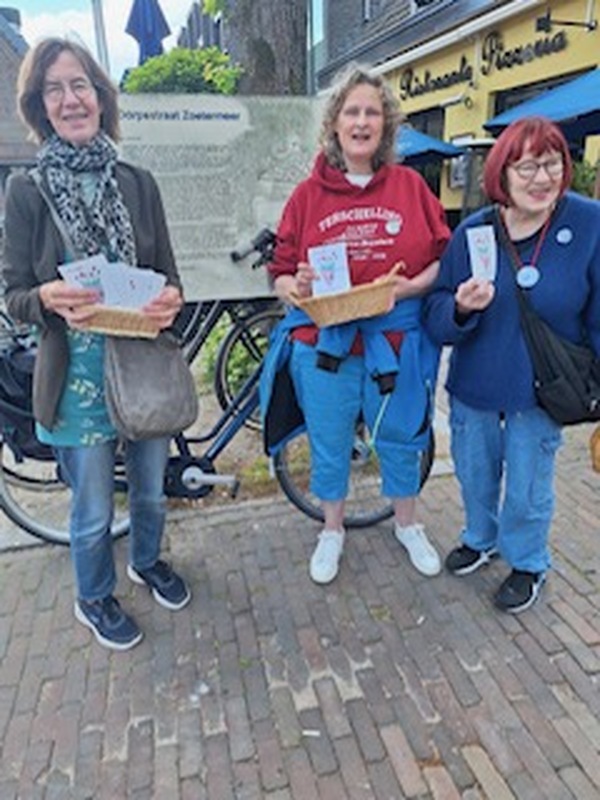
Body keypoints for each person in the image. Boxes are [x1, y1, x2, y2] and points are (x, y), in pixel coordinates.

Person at [3, 38, 191, 650]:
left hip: (141, 368)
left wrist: (170, 298)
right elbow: (13, 294)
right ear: (40, 106)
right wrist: (46, 297)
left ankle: (147, 560)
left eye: (79, 85)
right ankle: (94, 596)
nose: (70, 99)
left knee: (150, 490)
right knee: (90, 507)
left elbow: (170, 276)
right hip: (77, 379)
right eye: (54, 89)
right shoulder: (27, 190)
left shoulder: (139, 183)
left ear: (101, 97)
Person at [267, 65, 450, 585]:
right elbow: (281, 272)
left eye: (372, 112)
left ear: (385, 124)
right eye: (352, 111)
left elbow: (442, 259)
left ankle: (407, 524)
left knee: (401, 435)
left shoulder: (410, 187)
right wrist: (296, 287)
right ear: (335, 123)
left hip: (396, 340)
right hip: (326, 345)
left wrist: (407, 289)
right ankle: (332, 530)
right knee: (328, 440)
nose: (362, 121)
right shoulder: (307, 195)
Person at [423, 116, 600, 613]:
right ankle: (481, 538)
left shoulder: (589, 224)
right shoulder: (474, 233)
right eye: (528, 167)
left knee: (527, 487)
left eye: (553, 164)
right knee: (474, 474)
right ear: (502, 173)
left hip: (541, 390)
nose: (543, 178)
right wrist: (460, 308)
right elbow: (435, 314)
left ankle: (527, 561)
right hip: (475, 385)